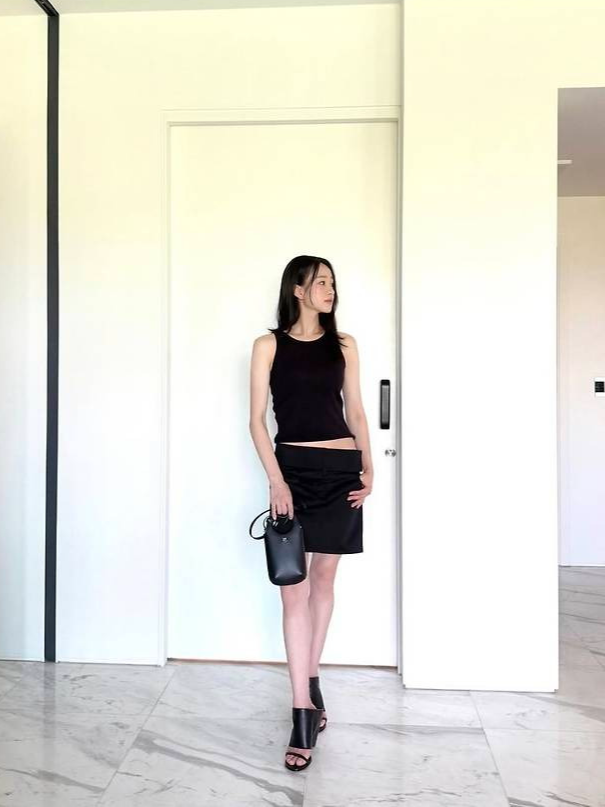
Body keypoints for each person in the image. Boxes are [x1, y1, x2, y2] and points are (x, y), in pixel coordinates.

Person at [249, 255, 374, 771]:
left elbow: (356, 411)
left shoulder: (344, 345)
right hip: (293, 473)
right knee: (292, 588)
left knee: (323, 580)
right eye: (320, 282)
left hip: (341, 471)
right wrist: (276, 480)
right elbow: (256, 420)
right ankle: (302, 709)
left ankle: (312, 680)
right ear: (297, 290)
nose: (330, 289)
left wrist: (369, 468)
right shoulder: (268, 345)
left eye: (333, 282)